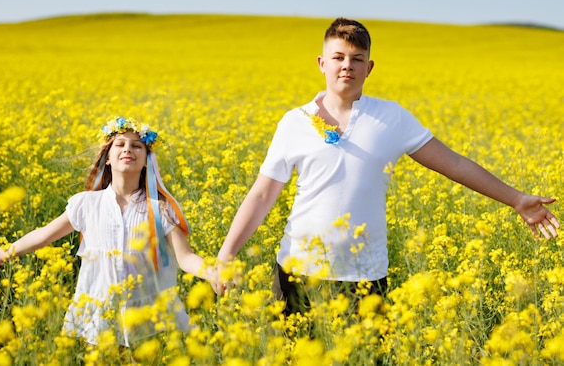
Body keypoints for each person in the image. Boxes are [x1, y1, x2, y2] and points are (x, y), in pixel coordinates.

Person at [216, 17, 560, 315]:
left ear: (369, 67)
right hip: (296, 274)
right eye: (338, 57)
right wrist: (227, 253)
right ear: (322, 63)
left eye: (356, 58)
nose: (346, 65)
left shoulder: (391, 117)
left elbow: (453, 163)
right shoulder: (295, 121)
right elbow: (262, 195)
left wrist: (515, 199)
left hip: (365, 278)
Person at [0, 117, 214, 347]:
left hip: (148, 312)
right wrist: (3, 253)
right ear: (107, 158)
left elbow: (186, 258)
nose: (127, 149)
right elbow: (44, 235)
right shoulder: (86, 203)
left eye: (136, 146)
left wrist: (213, 273)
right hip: (98, 310)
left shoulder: (160, 208)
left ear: (146, 161)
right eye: (120, 144)